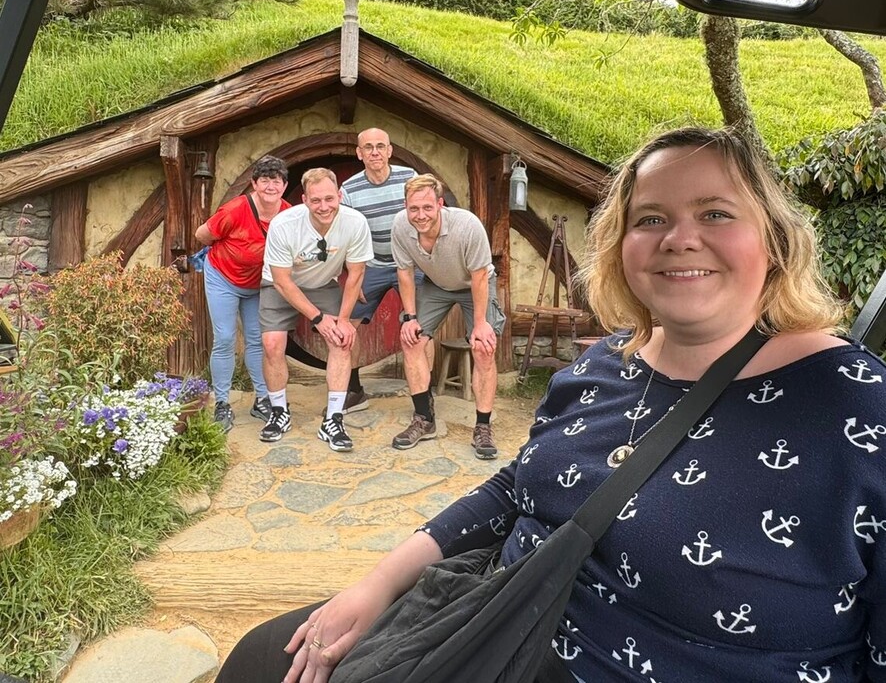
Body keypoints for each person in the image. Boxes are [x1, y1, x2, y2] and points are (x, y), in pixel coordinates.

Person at [218, 126, 886, 683]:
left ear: (772, 238)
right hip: (498, 623)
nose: (679, 238)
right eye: (650, 218)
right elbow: (517, 489)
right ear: (621, 246)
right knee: (260, 659)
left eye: (716, 213)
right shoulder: (603, 363)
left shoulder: (856, 408)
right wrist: (377, 584)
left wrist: (480, 325)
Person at [390, 173, 506, 459]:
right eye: (413, 208)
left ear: (440, 204)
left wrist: (480, 325)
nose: (420, 215)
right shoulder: (400, 227)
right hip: (436, 285)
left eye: (427, 207)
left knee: (483, 347)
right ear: (406, 207)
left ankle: (482, 427)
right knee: (412, 339)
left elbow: (479, 276)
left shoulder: (467, 226)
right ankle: (423, 418)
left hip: (474, 285)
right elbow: (404, 273)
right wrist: (410, 317)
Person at [259, 167, 373, 450]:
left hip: (323, 283)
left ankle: (334, 418)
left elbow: (356, 273)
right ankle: (278, 411)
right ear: (304, 200)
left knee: (342, 341)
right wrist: (319, 318)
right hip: (280, 285)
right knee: (272, 343)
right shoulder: (284, 224)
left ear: (339, 195)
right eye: (316, 200)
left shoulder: (355, 222)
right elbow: (283, 281)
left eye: (329, 199)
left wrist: (343, 320)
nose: (324, 207)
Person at [194, 155, 290, 432]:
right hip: (223, 276)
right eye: (265, 180)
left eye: (276, 181)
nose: (271, 186)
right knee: (224, 338)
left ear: (284, 186)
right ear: (254, 184)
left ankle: (262, 399)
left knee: (258, 340)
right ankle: (222, 403)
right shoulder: (236, 209)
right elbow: (203, 234)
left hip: (259, 284)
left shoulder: (288, 213)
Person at [339, 127, 416, 414]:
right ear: (359, 153)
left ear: (390, 150)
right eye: (368, 147)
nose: (375, 152)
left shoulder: (409, 179)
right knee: (347, 325)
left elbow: (427, 215)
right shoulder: (349, 189)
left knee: (420, 327)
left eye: (380, 146)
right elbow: (343, 234)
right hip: (370, 265)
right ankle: (354, 390)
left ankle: (423, 394)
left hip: (409, 263)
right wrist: (351, 278)